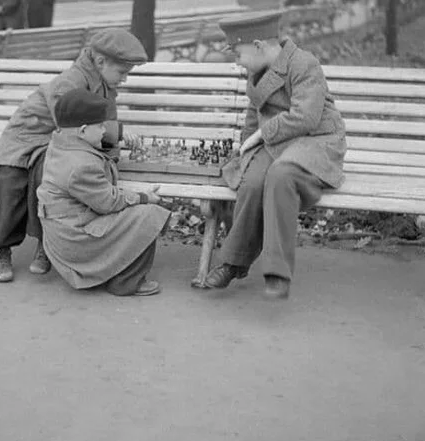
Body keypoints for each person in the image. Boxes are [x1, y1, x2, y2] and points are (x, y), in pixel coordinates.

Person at [0, 28, 148, 283]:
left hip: (56, 143)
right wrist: (117, 133)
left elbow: (100, 125)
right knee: (10, 182)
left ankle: (46, 244)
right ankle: (2, 249)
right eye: (122, 72)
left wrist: (118, 138)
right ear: (101, 62)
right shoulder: (71, 81)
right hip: (24, 140)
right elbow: (72, 125)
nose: (125, 78)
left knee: (49, 177)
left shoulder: (105, 86)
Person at [205, 15, 347, 299]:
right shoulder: (257, 71)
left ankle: (277, 272)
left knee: (281, 176)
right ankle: (235, 261)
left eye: (237, 53)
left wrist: (261, 135)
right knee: (253, 181)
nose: (236, 61)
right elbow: (252, 113)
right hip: (278, 142)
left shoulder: (304, 63)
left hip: (314, 141)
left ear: (258, 45)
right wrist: (246, 145)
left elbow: (306, 117)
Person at [37, 89, 170, 296]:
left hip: (65, 229)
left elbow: (99, 191)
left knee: (135, 211)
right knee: (149, 214)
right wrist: (144, 197)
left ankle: (115, 271)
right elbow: (107, 202)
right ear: (82, 131)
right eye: (99, 125)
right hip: (75, 239)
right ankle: (126, 282)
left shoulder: (61, 143)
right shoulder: (80, 165)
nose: (103, 131)